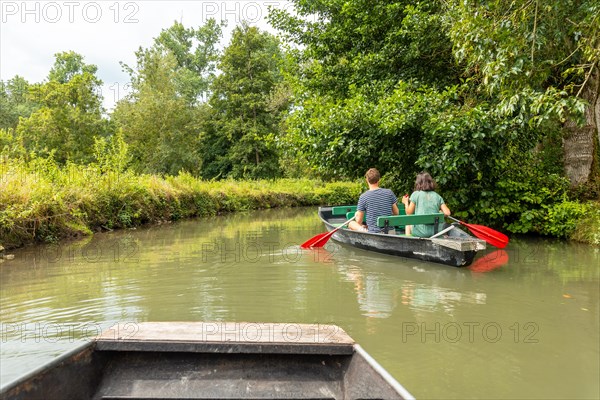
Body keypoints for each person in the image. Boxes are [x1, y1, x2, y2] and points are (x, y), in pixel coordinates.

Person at [401, 171, 451, 237]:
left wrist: (406, 203)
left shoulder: (416, 194)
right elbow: (447, 213)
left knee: (408, 219)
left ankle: (408, 241)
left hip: (420, 232)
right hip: (436, 232)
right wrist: (440, 212)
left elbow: (409, 213)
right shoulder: (437, 196)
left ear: (418, 183)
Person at [349, 168, 399, 233]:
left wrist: (356, 215)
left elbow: (359, 221)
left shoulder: (363, 196)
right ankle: (365, 228)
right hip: (390, 231)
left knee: (351, 223)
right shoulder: (389, 192)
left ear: (367, 180)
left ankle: (365, 230)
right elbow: (396, 213)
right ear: (379, 179)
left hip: (374, 233)